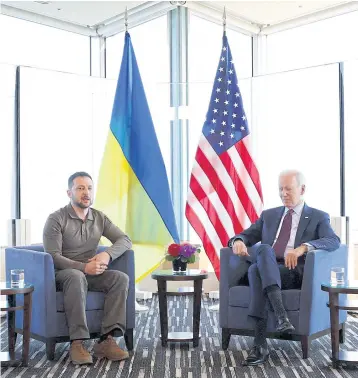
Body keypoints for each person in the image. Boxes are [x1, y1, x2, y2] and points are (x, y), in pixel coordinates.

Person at [228, 170, 340, 366]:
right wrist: (237, 241)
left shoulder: (318, 216)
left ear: (302, 189)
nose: (283, 193)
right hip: (268, 266)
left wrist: (303, 248)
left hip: (292, 272)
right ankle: (281, 318)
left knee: (256, 270)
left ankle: (260, 343)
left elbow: (333, 240)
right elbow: (247, 235)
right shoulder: (269, 215)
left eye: (288, 188)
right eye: (280, 189)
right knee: (261, 257)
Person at [43, 171, 132, 365]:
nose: (86, 193)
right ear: (69, 193)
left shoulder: (99, 217)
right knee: (76, 276)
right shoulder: (56, 219)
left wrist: (106, 254)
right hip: (63, 274)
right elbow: (53, 257)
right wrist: (84, 267)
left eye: (89, 188)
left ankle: (106, 340)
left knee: (120, 278)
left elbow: (125, 240)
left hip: (90, 272)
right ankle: (77, 343)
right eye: (80, 188)